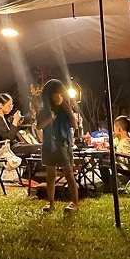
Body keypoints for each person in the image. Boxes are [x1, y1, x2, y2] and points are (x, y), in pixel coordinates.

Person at [36, 80, 80, 213]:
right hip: (49, 145)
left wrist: (70, 112)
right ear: (49, 96)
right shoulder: (44, 111)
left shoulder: (66, 109)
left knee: (69, 174)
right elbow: (38, 126)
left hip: (64, 144)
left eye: (61, 94)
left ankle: (74, 202)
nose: (59, 97)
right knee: (50, 175)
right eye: (55, 95)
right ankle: (51, 202)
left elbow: (75, 125)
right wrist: (50, 118)